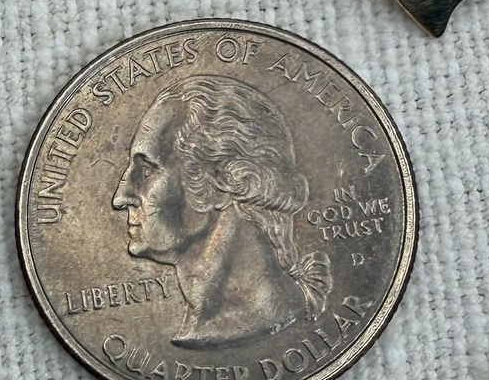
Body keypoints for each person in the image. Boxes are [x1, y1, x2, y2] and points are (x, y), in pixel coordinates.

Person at [112, 75, 330, 348]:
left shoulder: (271, 316)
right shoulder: (207, 327)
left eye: (147, 170)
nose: (121, 197)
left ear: (228, 180)